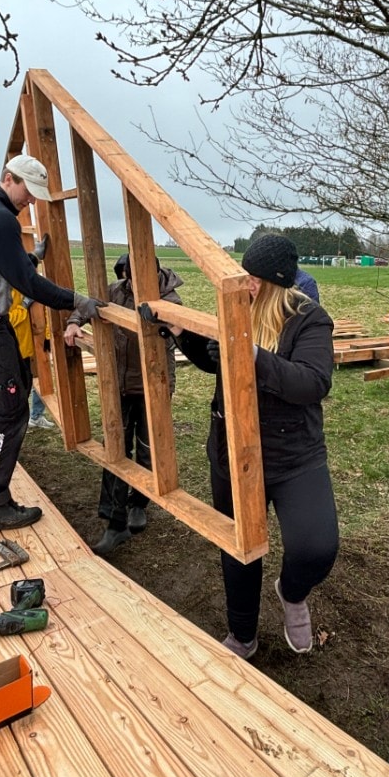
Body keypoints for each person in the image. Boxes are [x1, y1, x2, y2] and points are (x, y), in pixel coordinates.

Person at [143, 233, 338, 658]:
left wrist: (253, 355)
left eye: (254, 279)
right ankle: (243, 634)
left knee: (316, 547)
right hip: (233, 449)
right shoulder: (235, 308)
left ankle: (291, 592)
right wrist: (181, 332)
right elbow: (213, 358)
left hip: (293, 454)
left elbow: (313, 383)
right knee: (239, 547)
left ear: (276, 283)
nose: (245, 285)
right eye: (244, 275)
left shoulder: (309, 319)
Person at [0, 155, 104, 533]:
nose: (30, 201)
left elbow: (2, 264)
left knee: (16, 382)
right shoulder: (0, 218)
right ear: (8, 179)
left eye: (35, 196)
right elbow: (26, 284)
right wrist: (75, 301)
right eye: (27, 193)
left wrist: (30, 257)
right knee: (10, 409)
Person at [65, 253, 183, 556]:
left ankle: (138, 504)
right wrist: (75, 322)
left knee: (147, 448)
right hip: (117, 382)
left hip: (151, 386)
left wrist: (169, 324)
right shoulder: (115, 290)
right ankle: (114, 521)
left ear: (153, 273)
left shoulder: (169, 298)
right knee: (114, 446)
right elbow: (86, 305)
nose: (130, 282)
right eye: (127, 276)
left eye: (135, 277)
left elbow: (182, 330)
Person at [0, 288, 55, 457]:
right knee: (6, 401)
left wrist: (48, 337)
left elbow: (44, 316)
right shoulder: (4, 289)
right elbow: (5, 320)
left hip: (25, 352)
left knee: (19, 399)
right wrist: (23, 307)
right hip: (8, 354)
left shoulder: (26, 288)